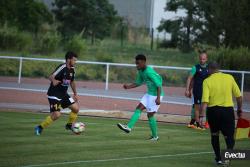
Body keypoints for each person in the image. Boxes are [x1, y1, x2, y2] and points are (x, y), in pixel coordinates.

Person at [201, 62, 242, 165]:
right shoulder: (229, 77)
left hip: (213, 111)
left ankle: (219, 158)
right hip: (227, 111)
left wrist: (202, 116)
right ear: (218, 69)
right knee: (229, 136)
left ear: (210, 69)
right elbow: (239, 96)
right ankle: (227, 158)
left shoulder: (207, 81)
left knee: (215, 135)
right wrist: (239, 109)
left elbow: (205, 100)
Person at [117, 54, 164, 141]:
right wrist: (128, 87)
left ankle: (155, 137)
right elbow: (138, 83)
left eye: (138, 63)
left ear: (143, 62)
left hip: (156, 95)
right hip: (149, 94)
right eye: (136, 63)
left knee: (150, 115)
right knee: (138, 108)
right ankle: (128, 127)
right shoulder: (141, 71)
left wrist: (158, 98)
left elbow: (159, 85)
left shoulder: (149, 72)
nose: (136, 65)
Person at [35, 51, 80, 135]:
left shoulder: (72, 70)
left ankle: (69, 125)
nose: (75, 62)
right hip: (54, 94)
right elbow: (50, 76)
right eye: (74, 60)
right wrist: (54, 80)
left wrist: (75, 94)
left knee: (76, 109)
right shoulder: (62, 67)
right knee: (57, 114)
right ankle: (39, 127)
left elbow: (72, 82)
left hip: (63, 94)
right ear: (68, 59)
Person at [185, 52, 209, 129]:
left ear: (206, 59)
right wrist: (187, 90)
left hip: (207, 91)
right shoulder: (195, 68)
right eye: (201, 59)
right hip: (197, 90)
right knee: (197, 107)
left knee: (204, 107)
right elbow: (190, 79)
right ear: (199, 59)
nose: (202, 60)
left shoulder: (209, 68)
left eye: (204, 59)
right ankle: (198, 124)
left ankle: (198, 122)